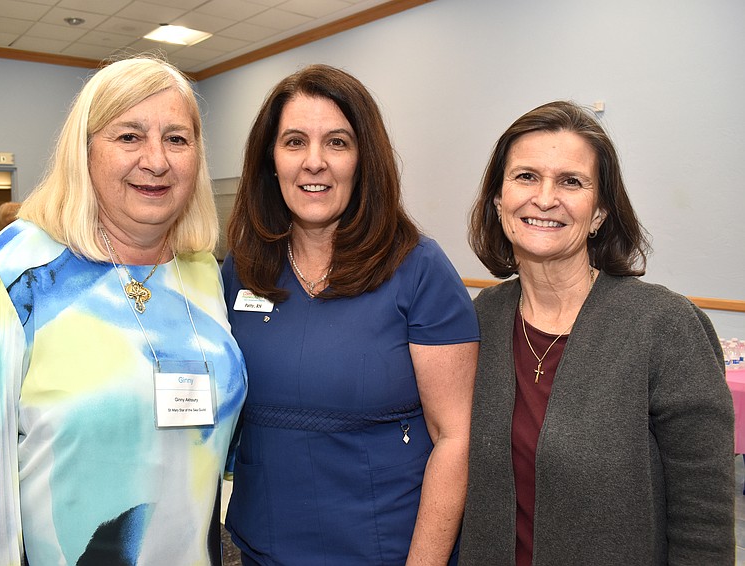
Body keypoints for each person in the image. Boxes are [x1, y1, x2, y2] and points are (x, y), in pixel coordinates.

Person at [0, 57, 247, 565]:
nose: (156, 160)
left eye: (177, 139)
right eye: (128, 136)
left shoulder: (199, 269)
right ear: (83, 150)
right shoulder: (9, 278)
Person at [222, 64, 480, 565]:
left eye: (337, 143)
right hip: (261, 547)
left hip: (383, 551)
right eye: (294, 142)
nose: (313, 162)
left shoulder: (419, 270)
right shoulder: (243, 269)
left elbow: (456, 438)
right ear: (270, 161)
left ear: (365, 159)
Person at [460, 100, 734, 565]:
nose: (545, 198)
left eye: (571, 181)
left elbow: (703, 518)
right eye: (526, 176)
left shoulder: (663, 325)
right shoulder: (479, 318)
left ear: (600, 213)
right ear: (498, 200)